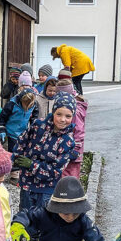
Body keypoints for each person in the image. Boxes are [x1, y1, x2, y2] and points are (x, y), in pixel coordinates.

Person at [11, 93, 76, 231]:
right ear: (53, 112)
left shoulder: (68, 142)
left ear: (72, 117)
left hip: (47, 187)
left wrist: (31, 165)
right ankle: (26, 238)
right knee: (26, 212)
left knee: (43, 217)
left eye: (68, 116)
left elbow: (55, 171)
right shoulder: (38, 125)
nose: (63, 119)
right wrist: (16, 157)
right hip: (27, 182)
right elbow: (22, 140)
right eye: (59, 114)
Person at [55, 68, 87, 179]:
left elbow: (79, 131)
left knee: (70, 177)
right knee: (64, 175)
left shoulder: (75, 110)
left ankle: (70, 195)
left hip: (73, 151)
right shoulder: (71, 105)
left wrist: (76, 149)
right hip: (66, 148)